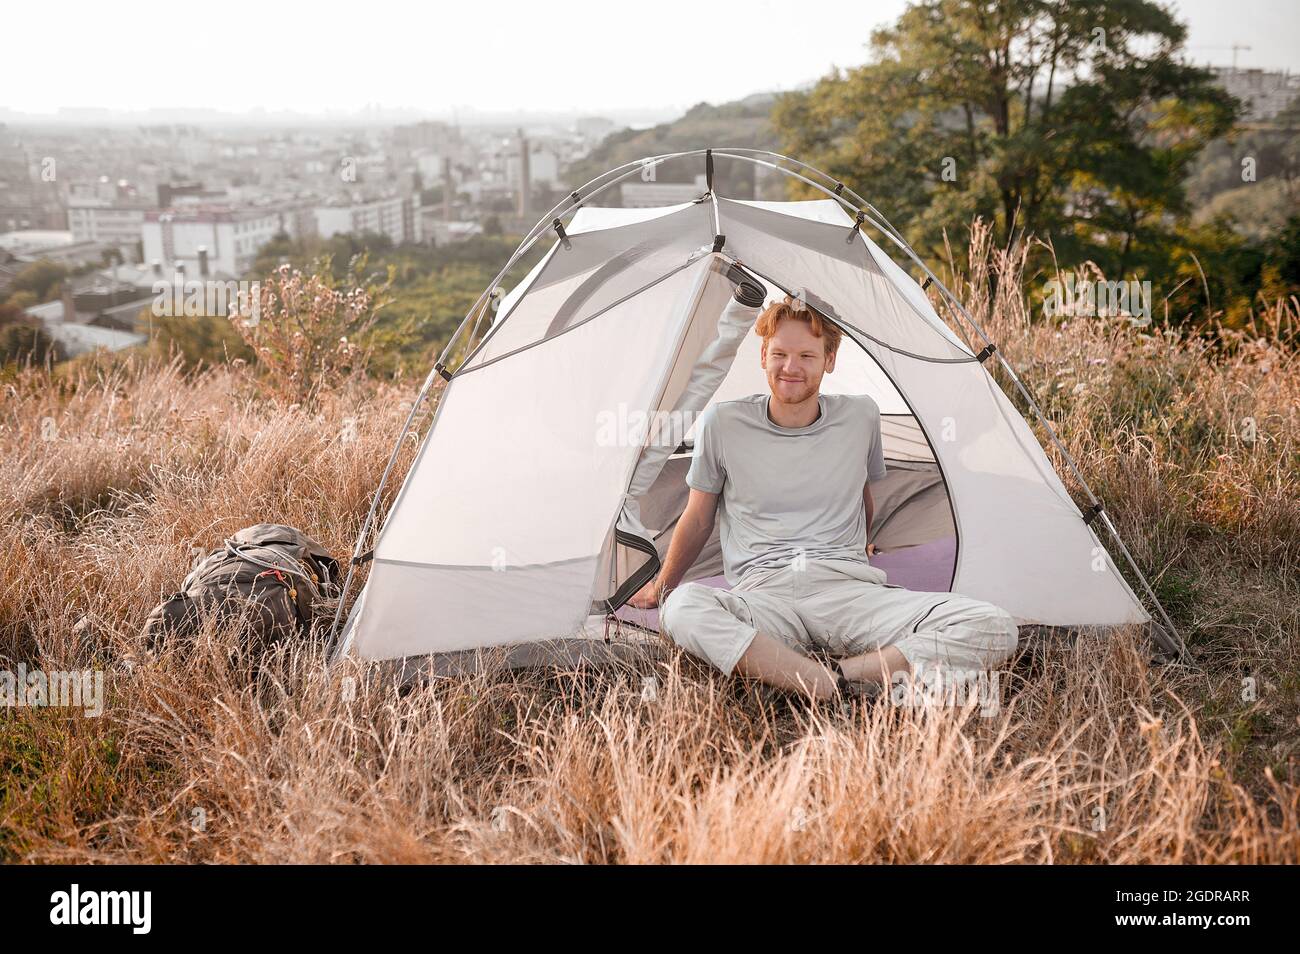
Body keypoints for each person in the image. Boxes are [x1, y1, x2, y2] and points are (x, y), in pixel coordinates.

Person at [629, 277, 1018, 700]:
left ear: (829, 360)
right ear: (763, 355)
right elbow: (698, 517)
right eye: (779, 354)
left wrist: (861, 545)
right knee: (683, 609)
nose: (790, 368)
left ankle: (837, 676)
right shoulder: (722, 423)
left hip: (849, 593)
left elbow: (862, 497)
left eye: (806, 356)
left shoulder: (860, 417)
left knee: (994, 625)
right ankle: (828, 686)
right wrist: (662, 588)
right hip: (765, 595)